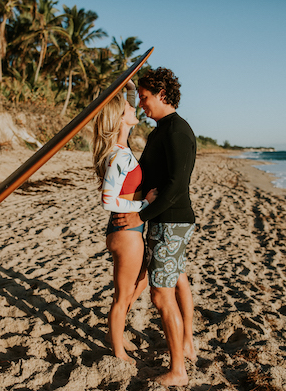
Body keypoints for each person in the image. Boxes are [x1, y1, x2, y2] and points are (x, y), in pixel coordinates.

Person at [112, 67, 197, 386]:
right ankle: (187, 344)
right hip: (166, 220)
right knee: (178, 280)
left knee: (162, 294)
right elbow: (147, 173)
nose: (143, 104)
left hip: (171, 221)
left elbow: (177, 185)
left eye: (146, 98)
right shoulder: (161, 129)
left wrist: (140, 216)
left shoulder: (177, 130)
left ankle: (178, 371)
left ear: (163, 94)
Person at [92, 84, 157, 363]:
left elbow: (127, 106)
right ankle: (117, 348)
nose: (135, 108)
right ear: (120, 118)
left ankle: (115, 334)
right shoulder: (118, 156)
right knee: (122, 296)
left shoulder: (122, 148)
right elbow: (108, 200)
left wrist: (130, 85)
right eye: (130, 108)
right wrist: (143, 206)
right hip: (126, 231)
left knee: (140, 282)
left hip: (128, 230)